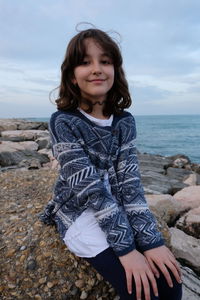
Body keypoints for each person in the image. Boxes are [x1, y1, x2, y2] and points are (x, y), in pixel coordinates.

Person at [40, 27, 182, 300]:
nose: (96, 69)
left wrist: (151, 242)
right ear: (72, 74)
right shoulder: (64, 121)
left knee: (171, 283)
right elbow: (90, 189)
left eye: (105, 61)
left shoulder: (125, 121)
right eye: (85, 62)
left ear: (116, 69)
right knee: (141, 291)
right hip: (81, 213)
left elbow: (130, 182)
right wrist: (127, 250)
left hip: (116, 204)